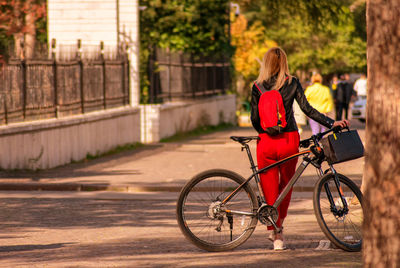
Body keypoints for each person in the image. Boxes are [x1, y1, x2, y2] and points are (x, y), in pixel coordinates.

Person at [250, 47, 349, 250]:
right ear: (284, 62)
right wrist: (332, 123)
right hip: (288, 140)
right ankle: (280, 234)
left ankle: (274, 231)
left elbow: (254, 118)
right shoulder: (292, 82)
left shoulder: (257, 86)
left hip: (266, 141)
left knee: (268, 186)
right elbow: (307, 109)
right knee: (286, 185)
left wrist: (266, 131)